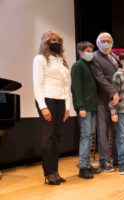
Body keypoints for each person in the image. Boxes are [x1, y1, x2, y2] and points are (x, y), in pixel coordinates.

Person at [33, 30, 70, 185]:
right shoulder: (40, 59)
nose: (56, 42)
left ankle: (55, 171)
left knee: (57, 137)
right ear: (45, 42)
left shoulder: (62, 60)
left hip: (61, 100)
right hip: (47, 99)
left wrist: (68, 106)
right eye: (52, 40)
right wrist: (43, 106)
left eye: (58, 40)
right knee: (48, 137)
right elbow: (37, 84)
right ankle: (48, 173)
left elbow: (67, 85)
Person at [71, 41, 102, 179]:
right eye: (87, 50)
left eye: (91, 50)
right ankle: (83, 167)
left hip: (92, 106)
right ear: (80, 52)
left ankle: (88, 164)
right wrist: (80, 107)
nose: (90, 53)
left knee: (90, 136)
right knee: (85, 136)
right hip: (84, 108)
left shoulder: (90, 66)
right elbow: (76, 88)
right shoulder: (77, 66)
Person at [90, 32, 120, 172]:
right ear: (98, 43)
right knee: (103, 132)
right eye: (103, 41)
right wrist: (113, 92)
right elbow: (99, 78)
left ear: (112, 43)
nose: (105, 43)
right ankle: (104, 161)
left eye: (108, 41)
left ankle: (116, 159)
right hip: (102, 99)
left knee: (116, 130)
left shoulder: (115, 57)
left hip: (116, 100)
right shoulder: (95, 57)